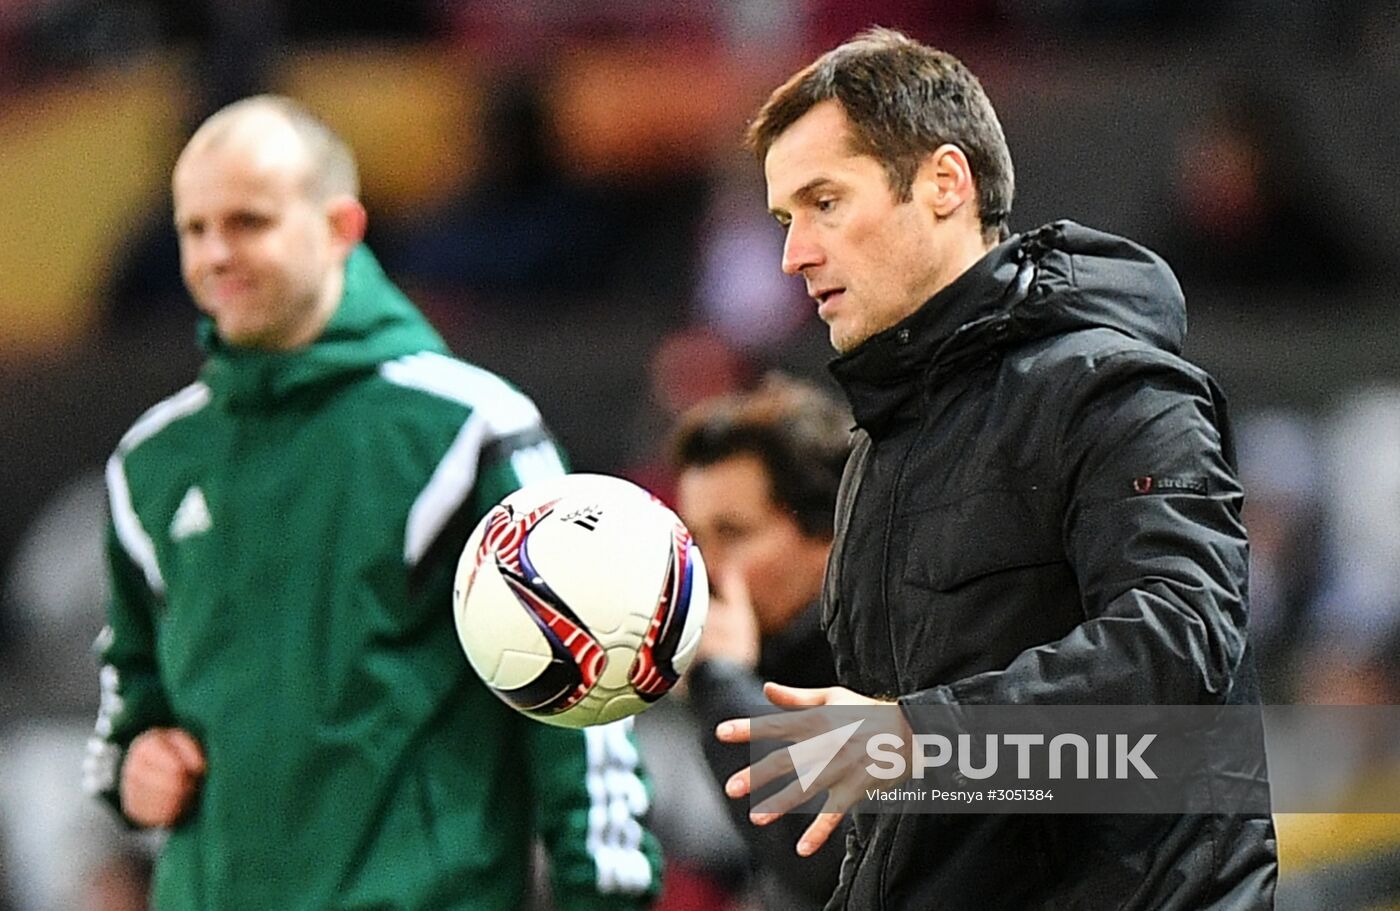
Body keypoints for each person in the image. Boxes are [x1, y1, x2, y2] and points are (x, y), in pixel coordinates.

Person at [716, 28, 1278, 909]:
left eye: (826, 202)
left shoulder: (1116, 389)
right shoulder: (878, 451)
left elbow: (1181, 643)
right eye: (787, 219)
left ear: (946, 183)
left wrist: (920, 737)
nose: (795, 255)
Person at [83, 95, 661, 910]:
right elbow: (128, 699)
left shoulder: (471, 432)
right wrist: (133, 767)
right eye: (194, 228)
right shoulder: (151, 460)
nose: (216, 253)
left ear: (341, 228)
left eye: (248, 222)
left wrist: (605, 894)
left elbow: (582, 702)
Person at [671, 374, 849, 910]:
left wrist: (720, 679)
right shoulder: (770, 662)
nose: (705, 568)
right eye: (695, 538)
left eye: (733, 533)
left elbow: (822, 862)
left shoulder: (897, 659)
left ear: (827, 529)